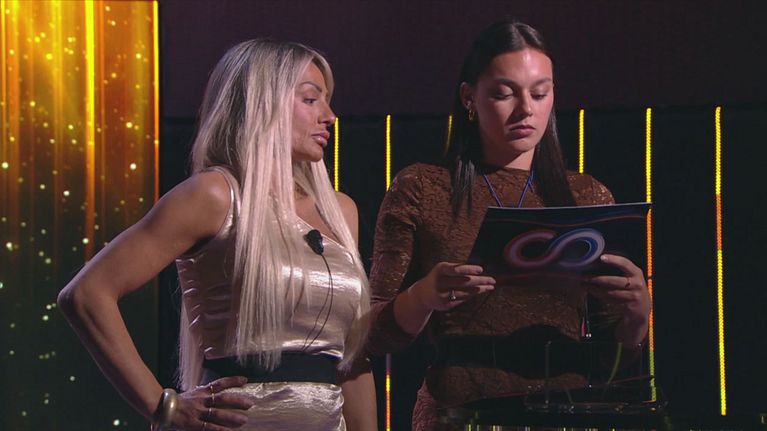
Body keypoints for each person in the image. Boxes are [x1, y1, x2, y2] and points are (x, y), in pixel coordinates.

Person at [58, 39, 376, 431]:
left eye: (327, 101)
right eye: (311, 99)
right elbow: (87, 294)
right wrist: (163, 406)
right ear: (262, 104)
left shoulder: (340, 212)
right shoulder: (213, 196)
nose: (329, 116)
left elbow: (352, 359)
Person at [367, 20, 651, 430]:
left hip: (564, 413)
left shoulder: (586, 195)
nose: (526, 109)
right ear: (469, 98)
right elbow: (375, 335)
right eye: (504, 93)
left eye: (540, 93)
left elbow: (613, 356)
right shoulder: (423, 188)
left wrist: (637, 316)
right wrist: (424, 295)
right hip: (460, 414)